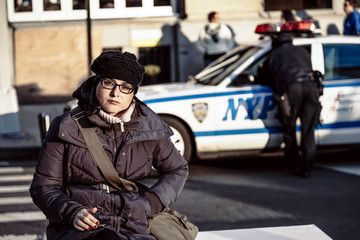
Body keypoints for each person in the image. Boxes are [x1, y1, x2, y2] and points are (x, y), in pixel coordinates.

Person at [30, 51, 189, 240]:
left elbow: (178, 169)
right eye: (108, 83)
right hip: (81, 229)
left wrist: (152, 202)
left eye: (125, 87)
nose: (116, 93)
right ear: (97, 82)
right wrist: (71, 211)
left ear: (133, 93)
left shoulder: (149, 128)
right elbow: (43, 186)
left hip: (132, 225)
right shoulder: (67, 126)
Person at [256, 33, 322, 178]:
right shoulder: (303, 51)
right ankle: (307, 168)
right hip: (311, 88)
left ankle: (293, 166)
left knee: (289, 128)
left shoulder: (274, 55)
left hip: (291, 89)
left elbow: (263, 78)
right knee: (308, 130)